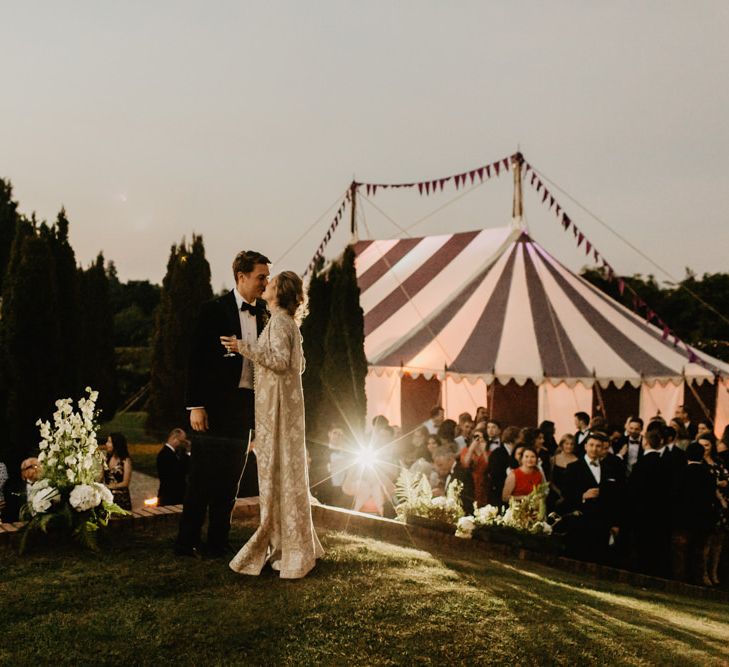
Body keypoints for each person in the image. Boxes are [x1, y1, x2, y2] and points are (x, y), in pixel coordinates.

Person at [226, 271, 323, 579]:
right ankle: (289, 543)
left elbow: (280, 362)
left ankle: (285, 547)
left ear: (280, 292)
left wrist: (243, 347)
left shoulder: (280, 322)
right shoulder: (288, 324)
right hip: (286, 409)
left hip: (277, 412)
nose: (266, 284)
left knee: (276, 474)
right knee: (286, 474)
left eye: (272, 281)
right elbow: (300, 365)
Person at [177, 250, 270, 559]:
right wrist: (195, 406)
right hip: (212, 408)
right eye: (260, 277)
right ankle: (187, 541)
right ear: (241, 277)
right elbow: (194, 360)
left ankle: (218, 541)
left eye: (267, 277)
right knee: (201, 478)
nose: (265, 283)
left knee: (231, 479)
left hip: (245, 408)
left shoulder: (266, 313)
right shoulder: (213, 310)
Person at [562, 433, 622, 564]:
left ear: (603, 449)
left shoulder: (609, 468)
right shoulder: (574, 468)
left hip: (602, 521)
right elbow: (566, 494)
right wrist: (582, 496)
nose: (594, 449)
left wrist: (615, 523)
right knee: (579, 557)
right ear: (585, 446)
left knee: (599, 558)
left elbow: (615, 498)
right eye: (591, 445)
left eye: (598, 446)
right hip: (581, 520)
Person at [623, 428, 671, 577]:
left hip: (641, 511)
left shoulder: (641, 464)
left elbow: (632, 490)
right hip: (659, 512)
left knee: (640, 543)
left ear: (645, 442)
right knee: (654, 543)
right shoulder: (666, 464)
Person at [673, 442, 718, 585]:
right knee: (698, 552)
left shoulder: (681, 473)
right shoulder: (709, 476)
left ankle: (680, 579)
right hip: (702, 520)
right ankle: (696, 580)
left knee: (681, 552)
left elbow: (676, 496)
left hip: (683, 518)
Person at [698, 432, 728, 586]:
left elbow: (726, 478)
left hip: (721, 507)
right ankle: (703, 573)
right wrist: (716, 485)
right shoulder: (699, 463)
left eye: (707, 445)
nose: (704, 449)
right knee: (707, 542)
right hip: (708, 504)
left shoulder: (718, 461)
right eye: (701, 445)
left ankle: (714, 572)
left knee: (719, 541)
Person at [484, 426, 519, 507]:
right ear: (513, 439)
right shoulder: (498, 453)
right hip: (498, 496)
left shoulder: (511, 453)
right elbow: (495, 476)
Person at [156, 428, 190, 506]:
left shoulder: (172, 453)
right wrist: (188, 452)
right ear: (175, 439)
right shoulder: (166, 454)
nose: (183, 444)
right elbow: (180, 471)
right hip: (170, 496)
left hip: (171, 495)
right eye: (182, 441)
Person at [460, 427, 489, 508]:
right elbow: (465, 464)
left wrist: (484, 451)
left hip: (484, 483)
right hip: (470, 482)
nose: (478, 440)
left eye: (480, 438)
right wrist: (471, 449)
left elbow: (489, 466)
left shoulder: (489, 453)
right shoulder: (466, 450)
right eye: (475, 437)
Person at [104, 433, 132, 511]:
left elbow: (125, 483)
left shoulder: (125, 460)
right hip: (107, 497)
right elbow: (100, 477)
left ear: (116, 444)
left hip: (121, 499)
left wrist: (109, 486)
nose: (106, 444)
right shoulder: (106, 458)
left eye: (109, 442)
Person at [550, 434, 578, 509]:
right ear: (562, 444)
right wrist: (560, 495)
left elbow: (577, 482)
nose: (569, 446)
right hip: (555, 494)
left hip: (572, 496)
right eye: (567, 443)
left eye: (572, 444)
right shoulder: (554, 459)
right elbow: (550, 479)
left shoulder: (578, 461)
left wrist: (566, 497)